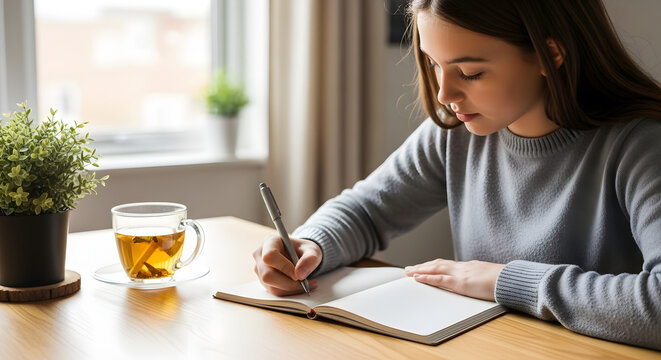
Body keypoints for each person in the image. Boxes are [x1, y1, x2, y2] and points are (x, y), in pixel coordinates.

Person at [253, 0, 661, 350]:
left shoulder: (642, 145)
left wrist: (507, 280)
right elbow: (367, 210)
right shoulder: (457, 132)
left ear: (549, 53)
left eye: (470, 72)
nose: (445, 94)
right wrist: (311, 244)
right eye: (434, 64)